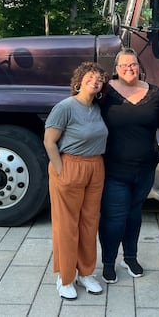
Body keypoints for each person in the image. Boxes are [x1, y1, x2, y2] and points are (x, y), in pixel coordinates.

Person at [98, 47, 159, 283]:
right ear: (116, 70)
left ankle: (130, 257)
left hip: (145, 170)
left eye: (134, 64)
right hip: (115, 170)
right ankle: (109, 263)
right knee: (115, 218)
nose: (130, 68)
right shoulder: (105, 92)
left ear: (140, 67)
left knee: (134, 215)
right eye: (124, 65)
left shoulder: (155, 93)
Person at [43, 61, 109, 300]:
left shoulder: (96, 109)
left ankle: (86, 272)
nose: (95, 81)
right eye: (90, 77)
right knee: (67, 225)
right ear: (79, 81)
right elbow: (49, 141)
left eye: (100, 79)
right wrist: (61, 171)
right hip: (70, 165)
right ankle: (65, 277)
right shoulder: (65, 107)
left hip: (95, 167)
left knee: (89, 223)